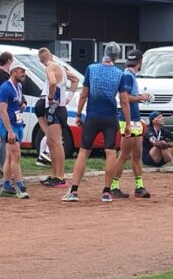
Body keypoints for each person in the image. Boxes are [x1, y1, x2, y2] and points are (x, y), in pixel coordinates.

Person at [62, 41, 126, 203]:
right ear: (117, 57)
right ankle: (106, 191)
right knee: (110, 152)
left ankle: (74, 190)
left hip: (93, 115)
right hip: (110, 116)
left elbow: (83, 94)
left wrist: (78, 113)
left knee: (84, 151)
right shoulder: (120, 74)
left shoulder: (92, 68)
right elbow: (124, 101)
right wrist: (128, 122)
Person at [34, 47, 78, 188]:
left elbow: (52, 82)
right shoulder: (61, 66)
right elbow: (75, 79)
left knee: (56, 143)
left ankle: (60, 177)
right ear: (51, 55)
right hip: (58, 108)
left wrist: (51, 97)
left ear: (41, 61)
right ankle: (54, 175)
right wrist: (68, 98)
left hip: (55, 108)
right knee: (52, 143)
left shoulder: (50, 67)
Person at [110, 49, 151, 198]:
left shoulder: (130, 74)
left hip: (134, 119)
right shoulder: (128, 76)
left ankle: (139, 186)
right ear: (140, 62)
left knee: (137, 154)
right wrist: (142, 98)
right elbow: (126, 98)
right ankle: (113, 186)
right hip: (129, 119)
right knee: (125, 154)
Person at [0, 64, 29, 198]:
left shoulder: (19, 86)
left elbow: (15, 103)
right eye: (22, 71)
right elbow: (2, 110)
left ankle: (6, 185)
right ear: (13, 71)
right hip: (10, 126)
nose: (24, 74)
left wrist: (22, 105)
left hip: (17, 123)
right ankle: (20, 186)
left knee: (10, 156)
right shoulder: (5, 88)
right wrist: (9, 131)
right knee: (16, 155)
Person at [0, 51, 14, 174]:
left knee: (6, 139)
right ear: (8, 60)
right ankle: (3, 167)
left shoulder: (4, 75)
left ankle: (6, 165)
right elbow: (6, 93)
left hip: (8, 109)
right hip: (4, 109)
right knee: (3, 139)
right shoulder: (2, 76)